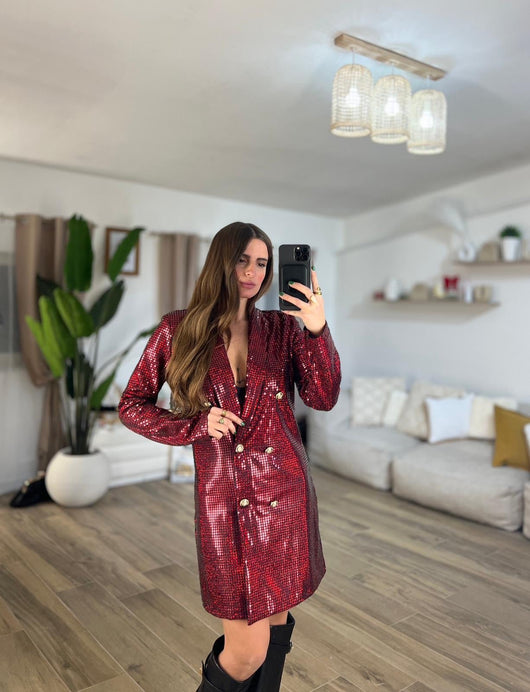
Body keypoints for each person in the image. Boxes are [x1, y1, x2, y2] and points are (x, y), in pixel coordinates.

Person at [118, 221, 341, 692]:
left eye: (262, 263)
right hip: (223, 503)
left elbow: (322, 397)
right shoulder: (177, 329)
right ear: (221, 261)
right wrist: (196, 425)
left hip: (285, 495)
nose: (253, 272)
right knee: (245, 652)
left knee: (276, 628)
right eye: (243, 260)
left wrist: (317, 329)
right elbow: (131, 405)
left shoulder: (284, 328)